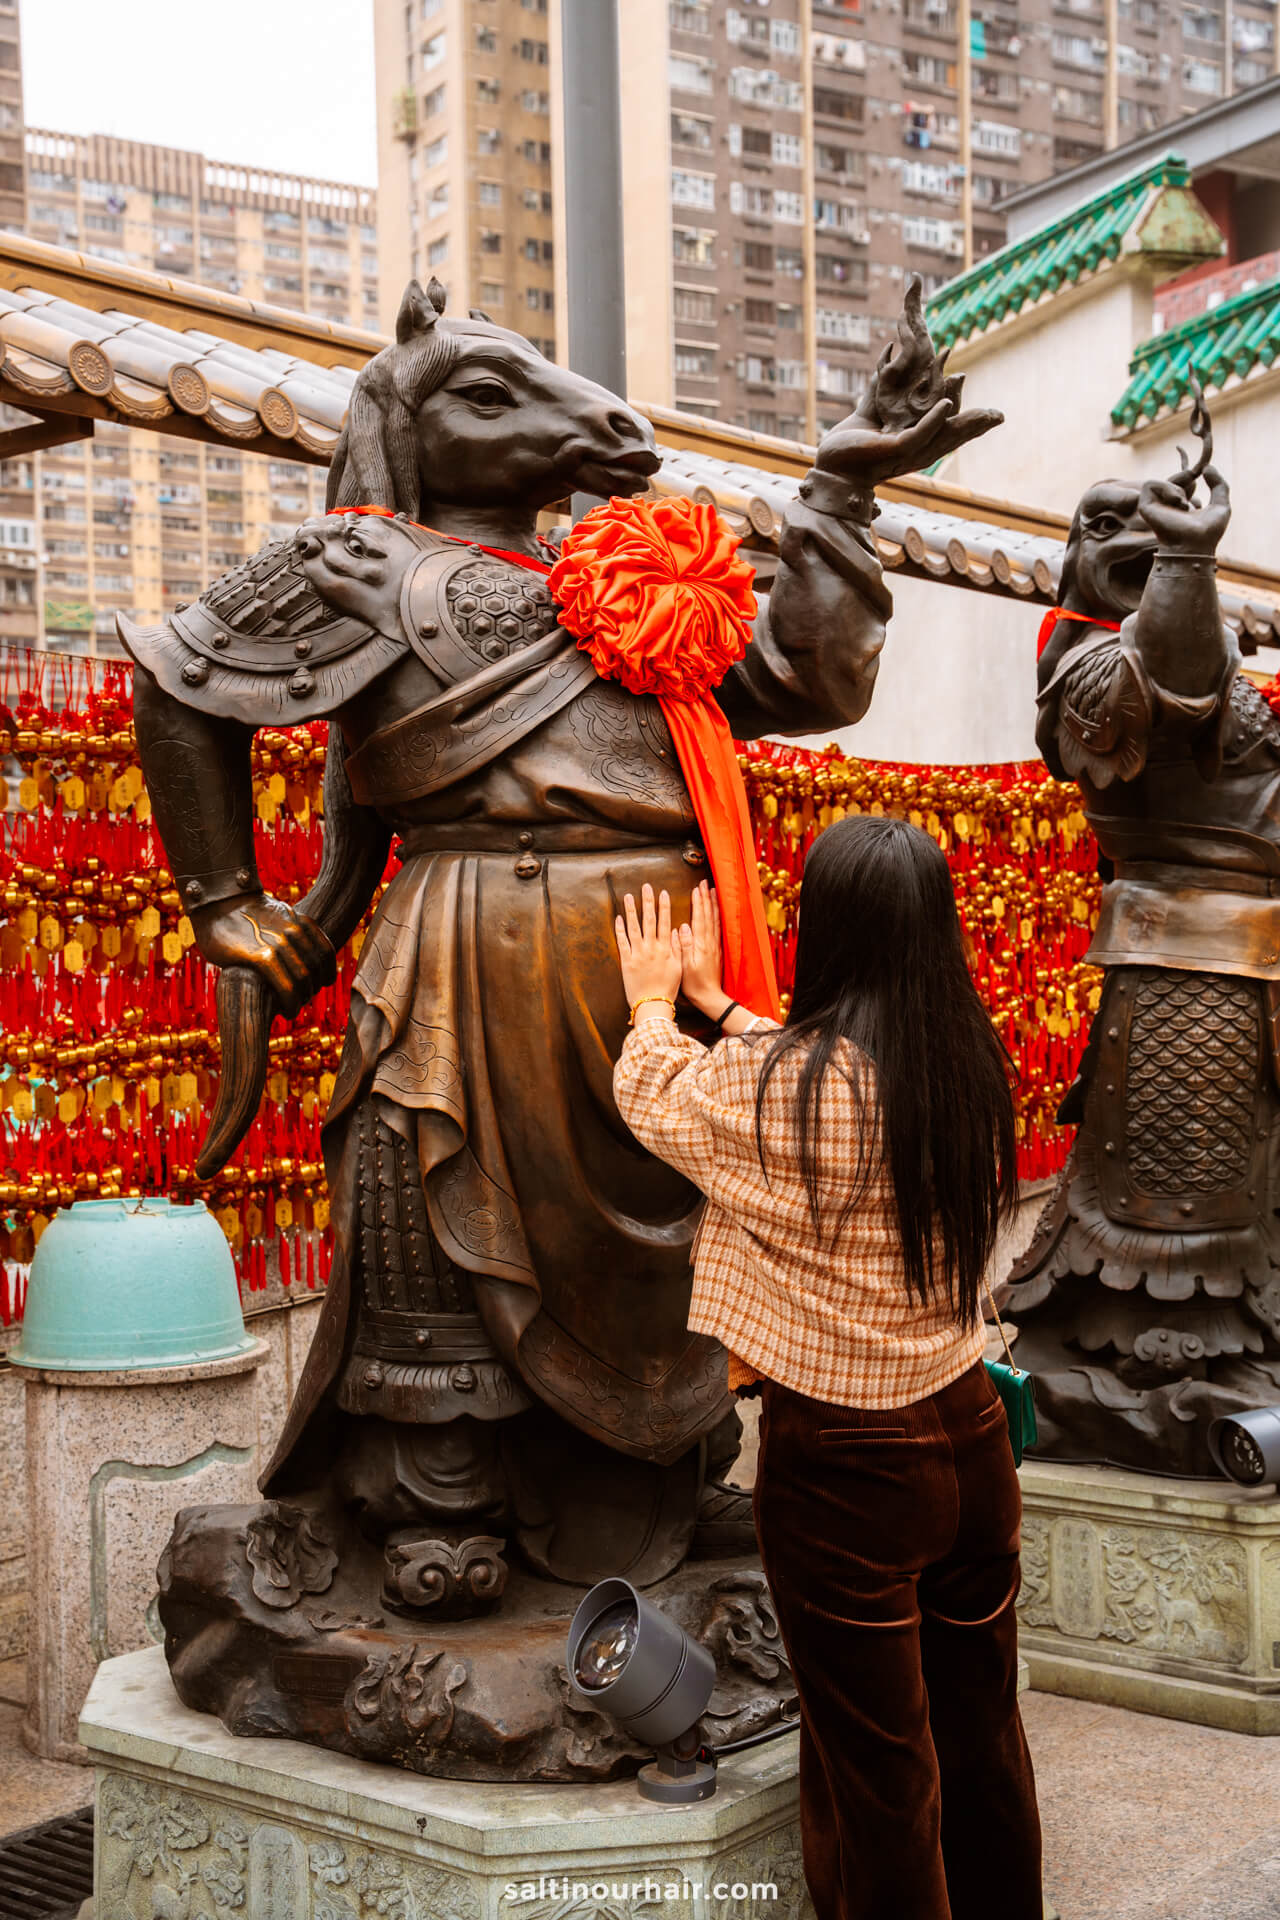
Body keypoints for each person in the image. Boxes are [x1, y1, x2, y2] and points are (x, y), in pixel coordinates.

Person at [612, 820, 1044, 1920]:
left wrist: (656, 1002)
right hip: (969, 1440)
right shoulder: (963, 1065)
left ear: (829, 932)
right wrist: (723, 1007)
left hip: (847, 1470)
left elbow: (657, 1100)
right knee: (982, 1732)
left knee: (879, 1769)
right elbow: (819, 1081)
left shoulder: (782, 1089)